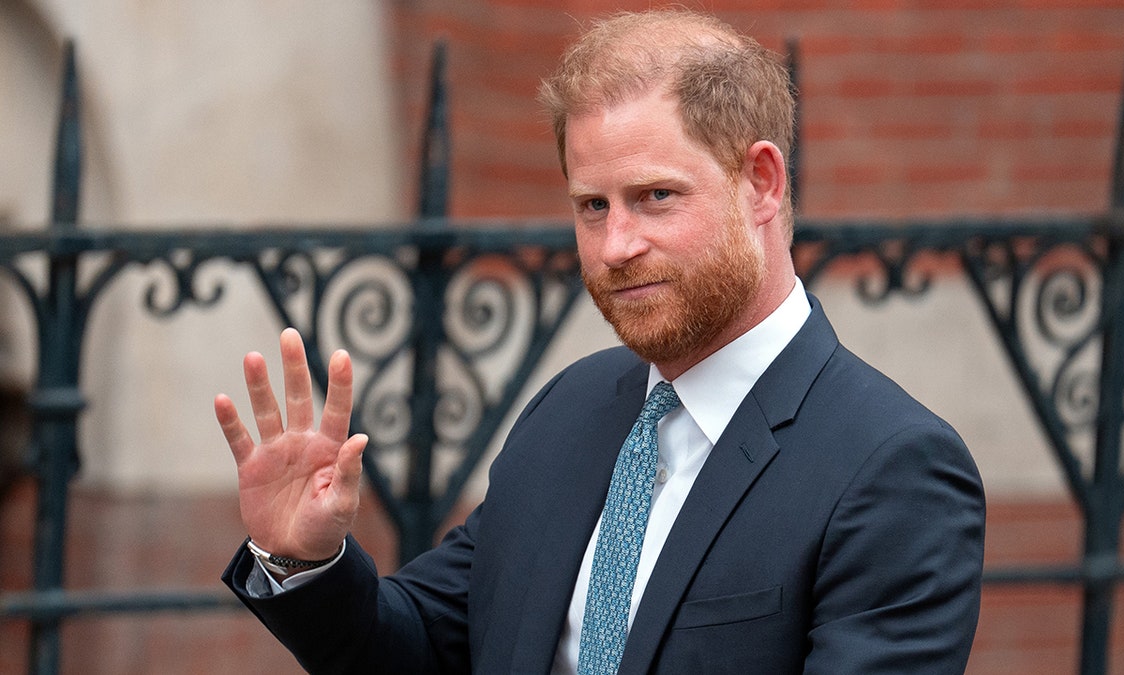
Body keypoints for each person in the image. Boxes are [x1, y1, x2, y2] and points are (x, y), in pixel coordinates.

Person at [217, 9, 985, 674]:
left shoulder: (893, 468)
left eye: (656, 196)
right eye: (592, 205)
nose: (616, 244)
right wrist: (306, 561)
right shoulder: (571, 410)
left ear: (761, 183)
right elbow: (425, 648)